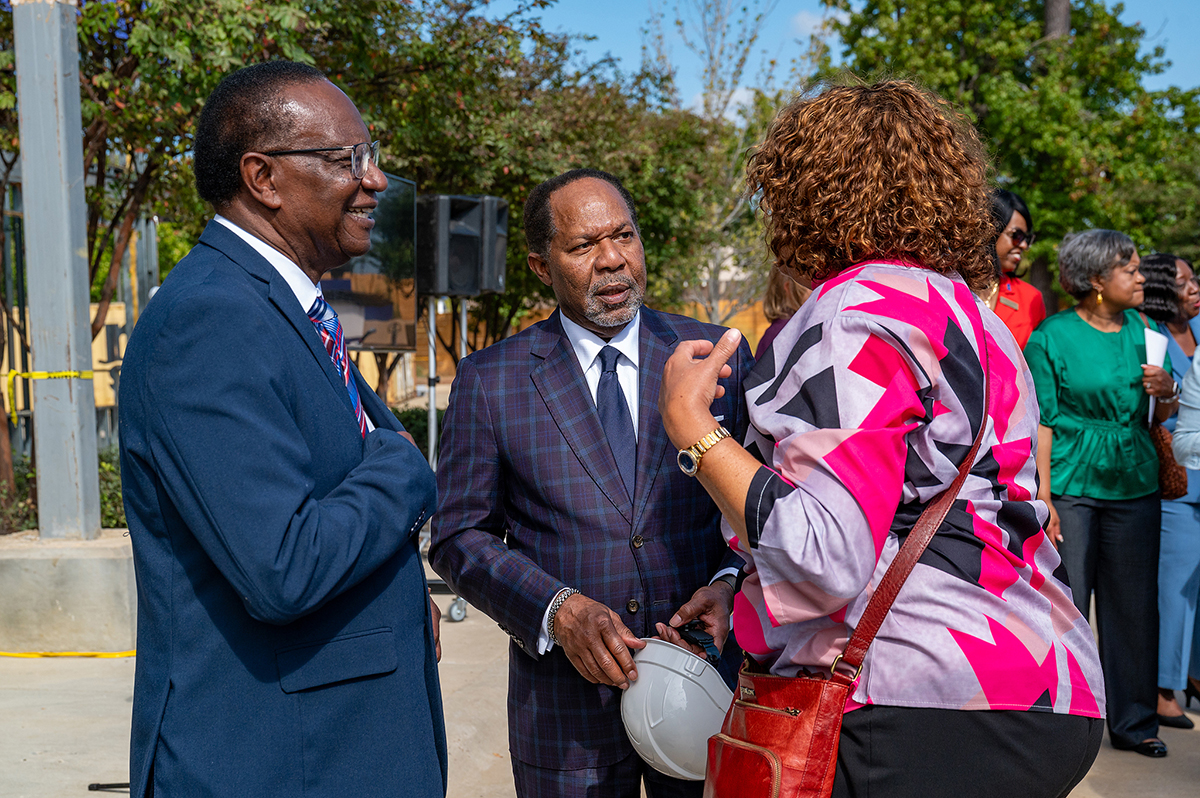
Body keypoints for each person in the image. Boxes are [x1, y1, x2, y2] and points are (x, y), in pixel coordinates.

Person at [660, 80, 1105, 797]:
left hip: (917, 697)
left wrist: (695, 432)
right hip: (1045, 685)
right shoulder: (969, 312)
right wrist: (746, 589)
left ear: (808, 194)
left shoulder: (852, 313)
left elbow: (826, 557)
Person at [118, 62, 446, 797]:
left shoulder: (280, 308)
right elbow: (284, 566)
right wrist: (403, 468)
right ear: (263, 177)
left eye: (372, 156)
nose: (377, 180)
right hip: (278, 763)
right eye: (347, 159)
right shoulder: (211, 322)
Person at [430, 168, 753, 797]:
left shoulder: (716, 358)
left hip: (705, 691)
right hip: (565, 717)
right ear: (540, 265)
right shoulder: (491, 381)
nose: (611, 260)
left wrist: (728, 581)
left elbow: (757, 502)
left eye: (624, 236)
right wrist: (555, 610)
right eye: (583, 246)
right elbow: (459, 536)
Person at [1024, 229, 1179, 757]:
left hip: (1135, 480)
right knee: (1065, 605)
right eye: (1129, 268)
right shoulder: (1050, 336)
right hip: (1071, 483)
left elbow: (1163, 412)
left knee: (1134, 607)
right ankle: (1061, 723)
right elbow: (1041, 420)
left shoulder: (1147, 330)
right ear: (1095, 281)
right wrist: (1043, 497)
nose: (1141, 276)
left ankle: (1134, 723)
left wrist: (1169, 392)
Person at [1142, 252, 1200, 727]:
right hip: (1177, 477)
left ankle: (1194, 674)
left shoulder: (1198, 331)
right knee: (1175, 588)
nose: (1195, 287)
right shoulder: (1151, 338)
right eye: (1183, 282)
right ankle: (1164, 688)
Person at [978, 189, 1046, 348]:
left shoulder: (1030, 299)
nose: (1023, 245)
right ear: (989, 230)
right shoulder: (950, 284)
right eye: (1017, 236)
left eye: (1027, 239)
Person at [755, 265, 810, 359]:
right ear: (788, 288)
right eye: (808, 286)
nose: (814, 291)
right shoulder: (787, 332)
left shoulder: (772, 334)